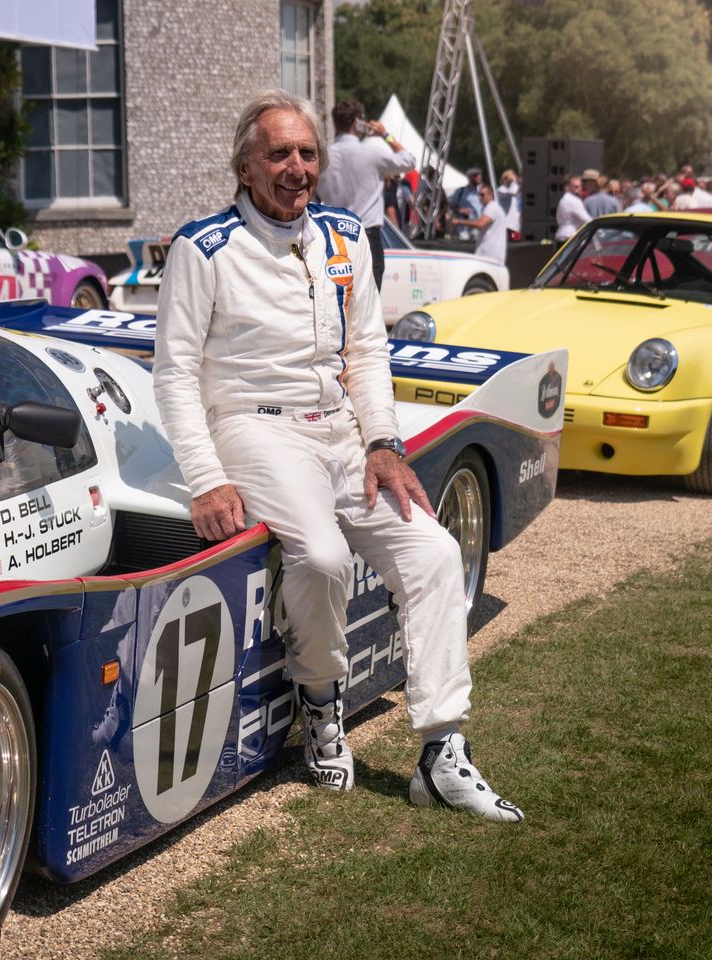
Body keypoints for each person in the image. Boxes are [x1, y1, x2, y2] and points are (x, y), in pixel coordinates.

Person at [152, 89, 523, 823]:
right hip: (256, 431)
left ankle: (442, 751)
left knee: (436, 555)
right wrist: (206, 477)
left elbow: (367, 351)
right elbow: (174, 370)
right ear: (245, 166)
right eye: (279, 154)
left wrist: (384, 442)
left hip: (344, 432)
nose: (297, 168)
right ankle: (320, 703)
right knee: (319, 557)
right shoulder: (202, 248)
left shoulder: (346, 235)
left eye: (308, 153)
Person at [318, 99, 416, 289]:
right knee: (369, 306)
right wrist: (385, 135)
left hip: (333, 238)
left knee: (337, 303)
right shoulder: (372, 153)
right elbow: (409, 161)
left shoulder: (323, 157)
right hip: (366, 237)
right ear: (357, 123)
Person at [451, 182, 507, 263]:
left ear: (490, 195)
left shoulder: (491, 207)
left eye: (482, 195)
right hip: (491, 254)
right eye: (479, 194)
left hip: (489, 255)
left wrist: (460, 221)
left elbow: (481, 224)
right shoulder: (493, 207)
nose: (480, 197)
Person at [554, 175, 592, 242]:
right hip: (570, 237)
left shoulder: (564, 199)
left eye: (580, 187)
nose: (580, 189)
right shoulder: (573, 200)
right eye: (576, 187)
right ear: (568, 188)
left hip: (561, 236)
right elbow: (586, 220)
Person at [496, 168, 522, 238]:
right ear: (504, 179)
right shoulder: (500, 190)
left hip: (515, 226)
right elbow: (512, 192)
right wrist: (514, 182)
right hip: (507, 226)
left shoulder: (514, 190)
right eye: (510, 178)